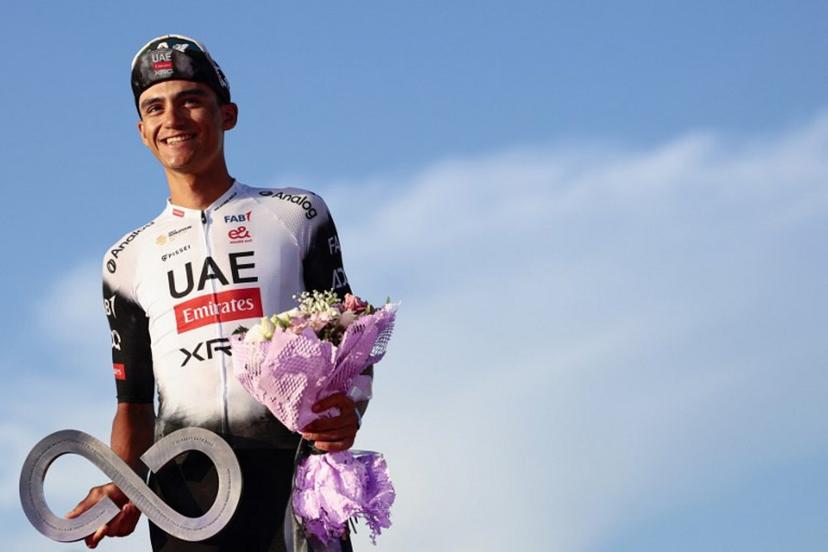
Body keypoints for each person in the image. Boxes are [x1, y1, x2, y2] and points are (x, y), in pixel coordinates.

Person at [66, 34, 368, 552]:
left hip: (297, 474)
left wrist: (350, 410)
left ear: (227, 115)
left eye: (190, 100)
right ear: (142, 132)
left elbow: (349, 346)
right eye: (155, 108)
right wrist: (122, 484)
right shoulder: (125, 259)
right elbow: (133, 402)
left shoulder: (298, 214)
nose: (173, 118)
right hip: (185, 497)